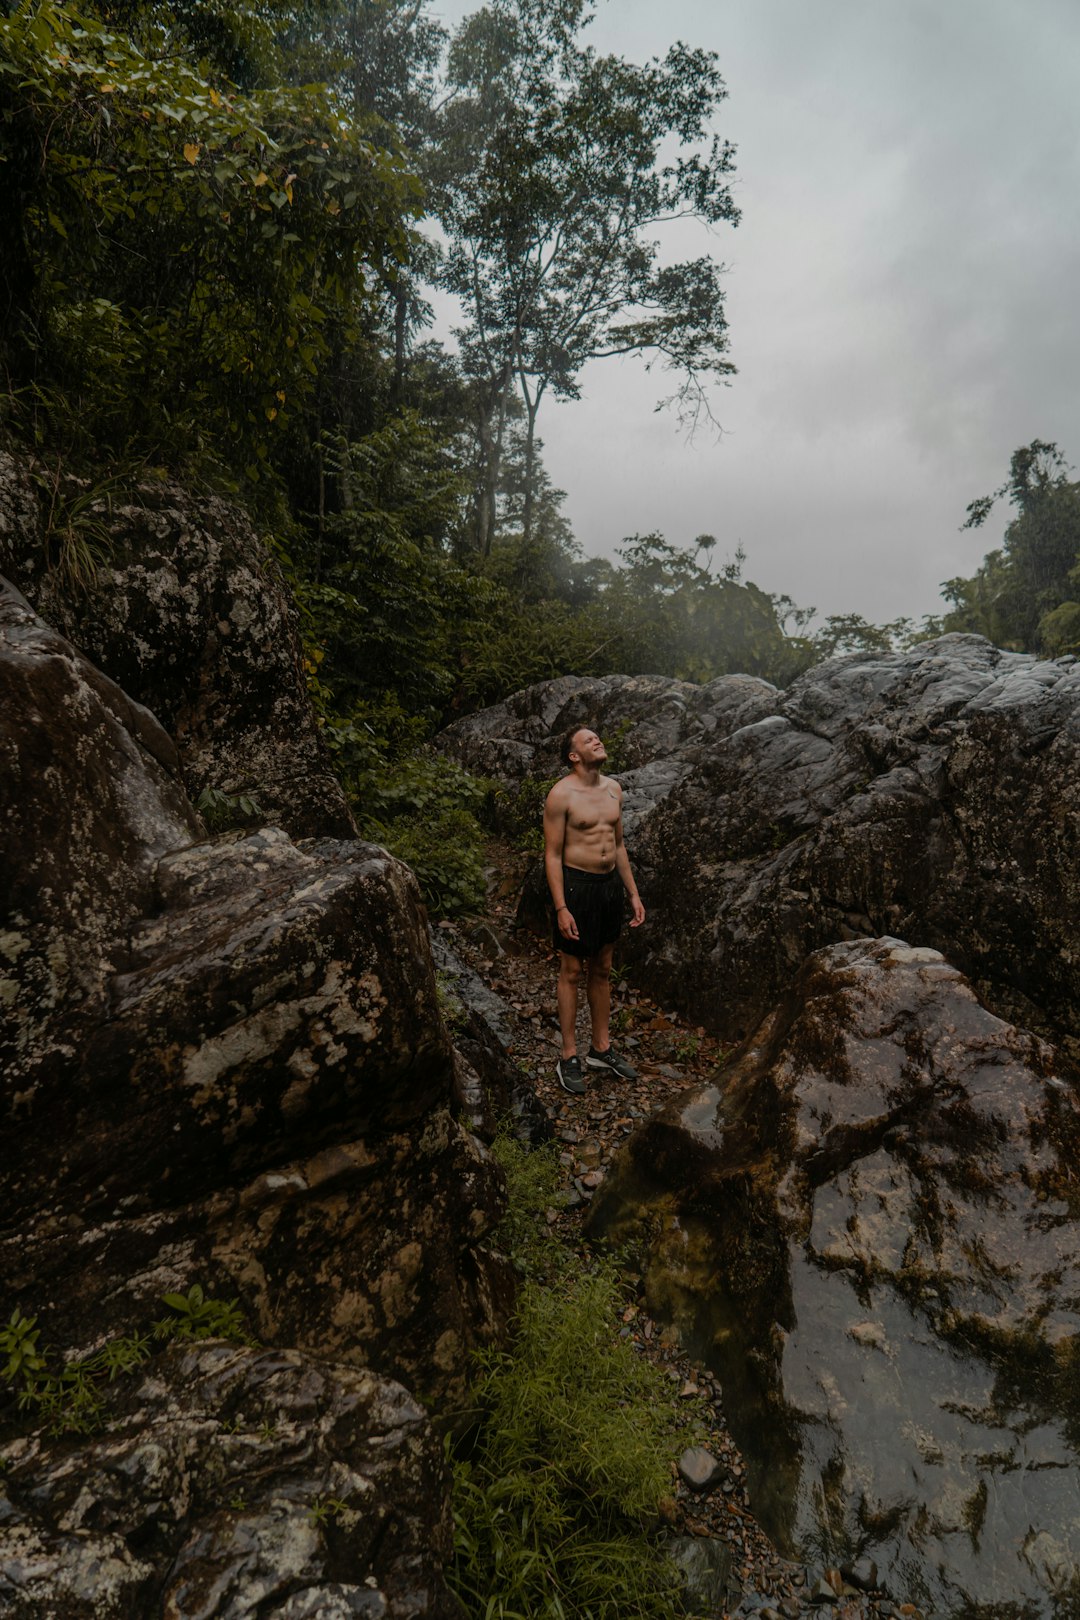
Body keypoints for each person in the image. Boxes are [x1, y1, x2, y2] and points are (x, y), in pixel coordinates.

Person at [543, 725, 646, 1094]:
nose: (597, 741)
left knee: (602, 968)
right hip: (577, 887)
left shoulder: (614, 789)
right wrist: (561, 907)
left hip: (609, 889)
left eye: (597, 737)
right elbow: (552, 855)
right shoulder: (561, 795)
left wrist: (632, 893)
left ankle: (601, 1048)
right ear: (574, 756)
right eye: (588, 740)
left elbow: (618, 846)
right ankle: (568, 1054)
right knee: (571, 970)